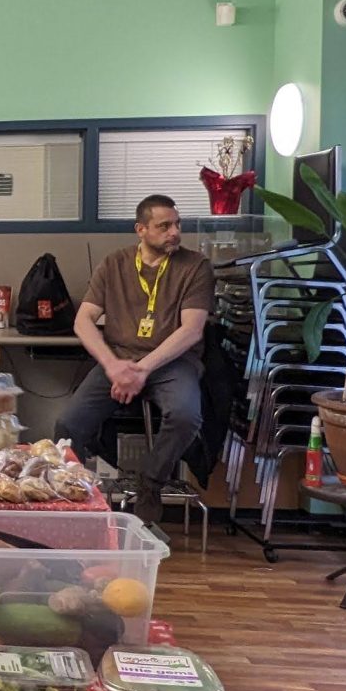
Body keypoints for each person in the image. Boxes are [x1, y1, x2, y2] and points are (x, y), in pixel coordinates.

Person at [56, 193, 215, 525]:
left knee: (186, 416)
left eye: (177, 224)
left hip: (172, 362)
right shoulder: (114, 263)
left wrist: (142, 369)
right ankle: (75, 496)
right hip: (119, 360)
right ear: (140, 229)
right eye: (164, 226)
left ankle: (151, 482)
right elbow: (82, 321)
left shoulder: (195, 266)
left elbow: (192, 330)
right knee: (68, 425)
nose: (175, 232)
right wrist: (113, 366)